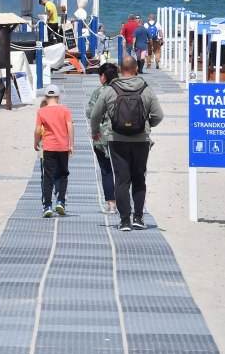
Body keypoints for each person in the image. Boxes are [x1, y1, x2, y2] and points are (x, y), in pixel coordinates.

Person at [89, 56, 164, 232]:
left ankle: (124, 221)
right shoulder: (146, 89)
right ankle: (138, 217)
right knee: (139, 177)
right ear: (136, 68)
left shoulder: (110, 90)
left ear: (120, 70)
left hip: (117, 139)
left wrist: (95, 131)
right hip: (140, 140)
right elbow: (159, 115)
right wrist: (147, 125)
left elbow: (95, 115)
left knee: (122, 180)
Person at [34, 85, 74, 218]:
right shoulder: (65, 110)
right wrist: (71, 144)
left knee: (48, 176)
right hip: (62, 147)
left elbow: (38, 130)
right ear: (58, 97)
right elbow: (70, 127)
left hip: (49, 147)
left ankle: (47, 206)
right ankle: (61, 201)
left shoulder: (42, 112)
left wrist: (35, 143)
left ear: (46, 97)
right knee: (63, 175)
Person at [87, 63, 119, 214]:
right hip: (123, 135)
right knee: (123, 171)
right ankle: (126, 203)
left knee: (106, 171)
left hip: (101, 136)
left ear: (103, 77)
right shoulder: (123, 89)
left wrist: (95, 129)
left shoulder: (99, 92)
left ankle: (111, 205)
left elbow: (90, 112)